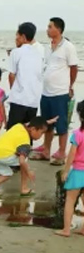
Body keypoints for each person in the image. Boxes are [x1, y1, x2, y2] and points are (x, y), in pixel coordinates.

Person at [34, 17, 79, 165]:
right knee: (47, 123)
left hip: (60, 93)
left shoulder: (68, 47)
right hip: (46, 92)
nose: (47, 29)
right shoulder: (48, 47)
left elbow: (73, 68)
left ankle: (61, 153)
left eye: (50, 27)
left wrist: (70, 86)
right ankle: (46, 150)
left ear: (58, 29)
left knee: (61, 124)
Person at [0, 117, 49, 197]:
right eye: (41, 133)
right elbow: (22, 161)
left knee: (7, 173)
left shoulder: (18, 126)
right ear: (33, 129)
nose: (41, 136)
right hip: (4, 157)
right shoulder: (25, 142)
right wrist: (29, 172)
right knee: (24, 160)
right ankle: (24, 188)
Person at [6, 22, 43, 130]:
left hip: (19, 99)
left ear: (23, 37)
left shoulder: (16, 52)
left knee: (13, 132)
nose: (16, 38)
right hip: (33, 100)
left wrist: (14, 90)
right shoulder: (40, 52)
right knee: (28, 133)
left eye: (17, 35)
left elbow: (11, 75)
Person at [56, 101, 84, 237]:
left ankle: (66, 229)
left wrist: (66, 170)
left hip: (78, 171)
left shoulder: (78, 134)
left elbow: (72, 154)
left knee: (70, 201)